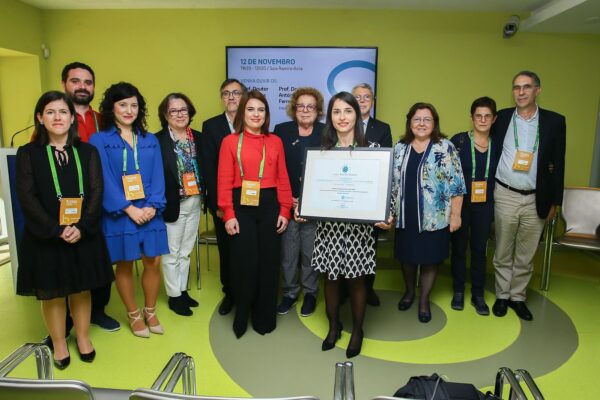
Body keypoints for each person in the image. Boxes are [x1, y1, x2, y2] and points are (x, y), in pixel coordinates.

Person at [16, 91, 114, 369]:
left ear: (72, 118)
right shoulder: (28, 154)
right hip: (46, 236)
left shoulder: (87, 152)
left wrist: (81, 227)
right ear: (40, 118)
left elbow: (97, 192)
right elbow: (27, 197)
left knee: (82, 289)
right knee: (53, 292)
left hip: (84, 234)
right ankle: (59, 342)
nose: (57, 117)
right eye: (50, 112)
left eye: (63, 112)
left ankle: (82, 337)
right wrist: (56, 229)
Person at [312, 91, 392, 359]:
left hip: (359, 230)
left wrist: (387, 213)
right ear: (330, 117)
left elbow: (387, 188)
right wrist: (304, 205)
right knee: (331, 279)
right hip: (330, 229)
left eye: (348, 111)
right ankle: (334, 327)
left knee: (357, 282)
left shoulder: (373, 150)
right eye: (336, 112)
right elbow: (313, 187)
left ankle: (357, 330)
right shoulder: (322, 152)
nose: (342, 117)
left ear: (357, 115)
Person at [90, 82, 169, 338]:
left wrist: (153, 205)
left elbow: (158, 174)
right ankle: (134, 314)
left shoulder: (150, 139)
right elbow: (103, 178)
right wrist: (128, 208)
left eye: (134, 105)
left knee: (153, 262)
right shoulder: (99, 140)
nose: (128, 110)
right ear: (111, 108)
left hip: (150, 210)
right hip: (120, 213)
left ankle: (150, 311)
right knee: (124, 264)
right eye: (122, 105)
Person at [491, 71, 566, 321]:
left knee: (526, 252)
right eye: (516, 87)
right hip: (505, 193)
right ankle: (502, 295)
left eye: (526, 87)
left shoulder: (555, 122)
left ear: (537, 90)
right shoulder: (501, 118)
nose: (521, 92)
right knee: (502, 249)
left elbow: (559, 162)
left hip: (537, 197)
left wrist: (556, 201)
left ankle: (518, 297)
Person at [217, 89, 292, 338]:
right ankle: (242, 314)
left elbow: (283, 178)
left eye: (261, 110)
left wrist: (285, 209)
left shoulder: (275, 141)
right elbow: (224, 180)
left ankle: (264, 317)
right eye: (251, 109)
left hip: (270, 205)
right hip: (241, 206)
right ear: (242, 112)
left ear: (266, 114)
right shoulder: (230, 142)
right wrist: (228, 213)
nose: (256, 114)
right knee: (244, 263)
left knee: (269, 263)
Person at [391, 103, 466, 323]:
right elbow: (391, 184)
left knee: (430, 259)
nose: (421, 124)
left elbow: (457, 184)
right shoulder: (400, 147)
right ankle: (409, 292)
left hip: (435, 217)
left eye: (427, 119)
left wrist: (456, 215)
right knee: (407, 258)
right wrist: (389, 212)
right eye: (417, 119)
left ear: (434, 123)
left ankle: (424, 300)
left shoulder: (446, 147)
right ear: (409, 122)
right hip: (405, 216)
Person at [60, 61, 120, 332]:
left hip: (101, 198)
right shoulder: (57, 116)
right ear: (64, 84)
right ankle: (65, 320)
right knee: (68, 259)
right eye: (76, 81)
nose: (82, 87)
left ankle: (98, 311)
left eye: (87, 82)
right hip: (67, 199)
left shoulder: (104, 120)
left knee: (100, 257)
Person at [274, 87, 325, 317]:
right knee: (288, 253)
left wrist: (308, 200)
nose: (305, 110)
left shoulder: (326, 132)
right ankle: (290, 293)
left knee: (310, 253)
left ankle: (310, 293)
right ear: (294, 109)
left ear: (318, 110)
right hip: (287, 203)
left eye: (310, 106)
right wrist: (289, 200)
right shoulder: (281, 131)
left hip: (315, 205)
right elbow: (276, 168)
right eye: (300, 106)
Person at [200, 79, 247, 316]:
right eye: (226, 93)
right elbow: (209, 168)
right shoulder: (211, 126)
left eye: (236, 93)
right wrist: (218, 204)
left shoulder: (253, 121)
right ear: (221, 97)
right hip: (223, 200)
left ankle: (247, 291)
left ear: (243, 96)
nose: (231, 97)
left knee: (247, 248)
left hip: (250, 200)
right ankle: (229, 293)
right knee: (227, 250)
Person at [450, 97, 499, 316]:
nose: (483, 120)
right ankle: (458, 290)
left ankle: (478, 293)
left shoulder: (499, 145)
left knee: (479, 250)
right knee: (459, 248)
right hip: (460, 204)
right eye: (478, 116)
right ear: (471, 118)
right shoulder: (459, 141)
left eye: (487, 116)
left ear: (494, 119)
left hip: (485, 205)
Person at [156, 93, 202, 316]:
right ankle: (174, 296)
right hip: (173, 203)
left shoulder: (198, 138)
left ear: (189, 112)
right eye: (173, 111)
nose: (179, 114)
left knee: (185, 251)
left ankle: (182, 291)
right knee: (172, 253)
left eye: (183, 109)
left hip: (195, 201)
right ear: (166, 115)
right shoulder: (158, 141)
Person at [352, 82, 393, 307]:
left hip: (371, 196)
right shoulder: (343, 123)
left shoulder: (383, 128)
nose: (362, 100)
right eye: (357, 97)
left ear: (373, 101)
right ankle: (346, 290)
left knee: (369, 246)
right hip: (347, 193)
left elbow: (386, 163)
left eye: (366, 96)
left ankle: (367, 289)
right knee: (345, 245)